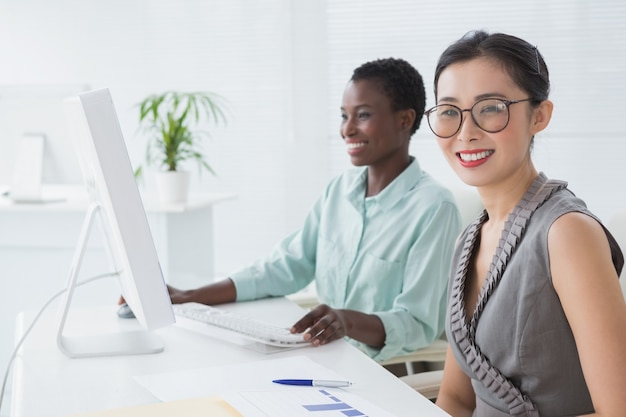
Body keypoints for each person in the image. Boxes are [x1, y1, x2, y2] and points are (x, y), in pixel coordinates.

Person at [166, 58, 462, 362]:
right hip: (320, 354)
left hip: (381, 368)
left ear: (405, 119)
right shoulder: (339, 191)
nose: (347, 129)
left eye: (362, 115)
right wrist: (189, 297)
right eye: (344, 116)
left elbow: (417, 323)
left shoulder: (434, 208)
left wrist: (347, 321)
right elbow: (286, 266)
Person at [426, 30, 626, 416]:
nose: (466, 132)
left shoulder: (567, 233)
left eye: (491, 107)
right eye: (450, 111)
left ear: (539, 115)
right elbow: (455, 399)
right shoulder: (469, 239)